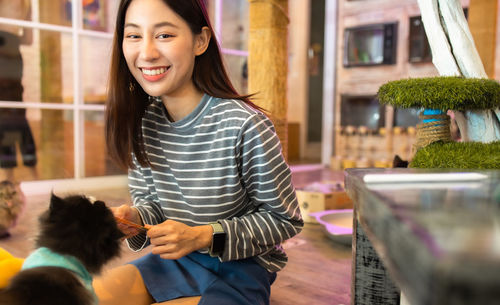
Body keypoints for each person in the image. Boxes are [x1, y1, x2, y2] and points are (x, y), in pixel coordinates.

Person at [94, 0, 303, 305]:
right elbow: (153, 206)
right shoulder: (143, 123)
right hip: (173, 261)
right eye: (134, 35)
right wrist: (133, 218)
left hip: (241, 269)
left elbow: (285, 220)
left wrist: (204, 235)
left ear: (200, 41)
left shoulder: (245, 124)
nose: (147, 52)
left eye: (164, 35)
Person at [0, 0, 37, 181]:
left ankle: (11, 176)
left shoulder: (23, 4)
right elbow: (28, 39)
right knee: (13, 114)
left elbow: (28, 39)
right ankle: (27, 172)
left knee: (10, 115)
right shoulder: (25, 4)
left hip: (9, 50)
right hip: (12, 51)